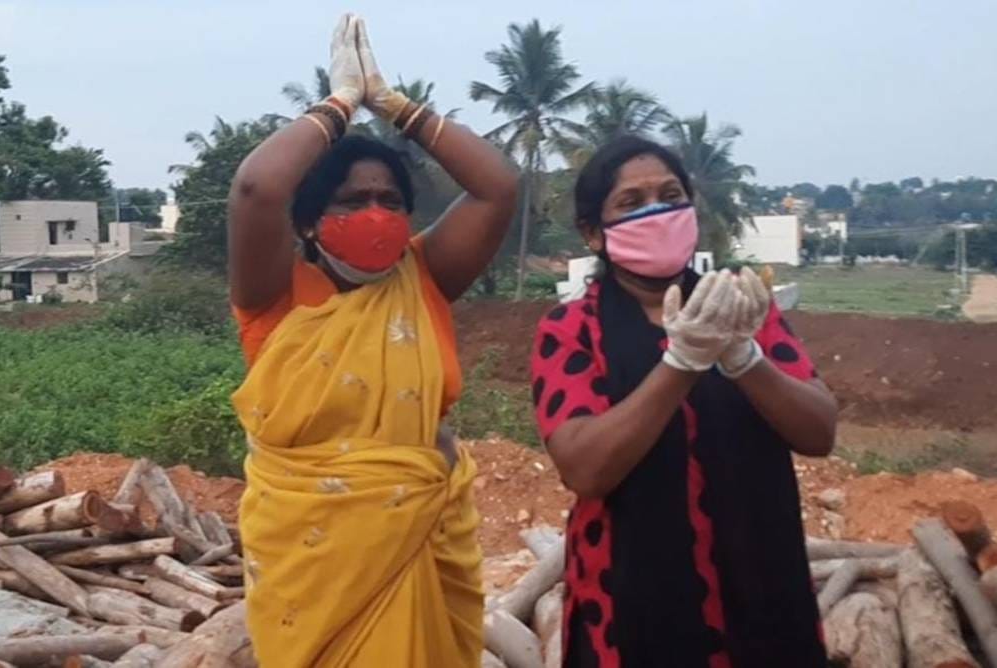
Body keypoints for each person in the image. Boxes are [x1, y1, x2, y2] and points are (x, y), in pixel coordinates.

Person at [227, 14, 517, 667]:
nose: (375, 214)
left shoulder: (425, 277)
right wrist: (339, 105)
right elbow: (256, 188)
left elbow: (498, 187)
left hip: (425, 538)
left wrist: (396, 106)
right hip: (313, 564)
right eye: (352, 200)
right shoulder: (275, 294)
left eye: (390, 199)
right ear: (308, 221)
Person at [530, 136, 838, 667]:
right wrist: (683, 362)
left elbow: (819, 433)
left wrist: (744, 358)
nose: (657, 211)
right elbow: (585, 469)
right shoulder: (571, 329)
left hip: (764, 584)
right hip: (629, 602)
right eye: (631, 202)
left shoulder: (743, 308)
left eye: (670, 195)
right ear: (592, 233)